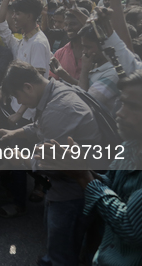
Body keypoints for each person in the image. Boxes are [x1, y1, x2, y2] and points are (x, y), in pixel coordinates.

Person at [0, 61, 104, 266]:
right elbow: (41, 126)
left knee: (63, 250)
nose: (18, 101)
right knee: (55, 240)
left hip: (72, 193)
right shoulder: (55, 91)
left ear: (27, 87)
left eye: (17, 96)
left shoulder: (59, 109)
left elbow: (50, 164)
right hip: (62, 188)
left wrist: (20, 158)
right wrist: (16, 132)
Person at [59, 70, 142, 265]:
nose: (119, 113)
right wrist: (80, 167)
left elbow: (130, 227)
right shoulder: (129, 146)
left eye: (133, 106)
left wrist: (84, 176)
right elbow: (110, 185)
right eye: (122, 103)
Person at [0, 0, 51, 124]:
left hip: (28, 115)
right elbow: (0, 23)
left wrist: (19, 113)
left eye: (17, 14)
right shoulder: (23, 40)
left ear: (29, 16)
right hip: (16, 106)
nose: (13, 17)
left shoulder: (38, 42)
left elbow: (36, 85)